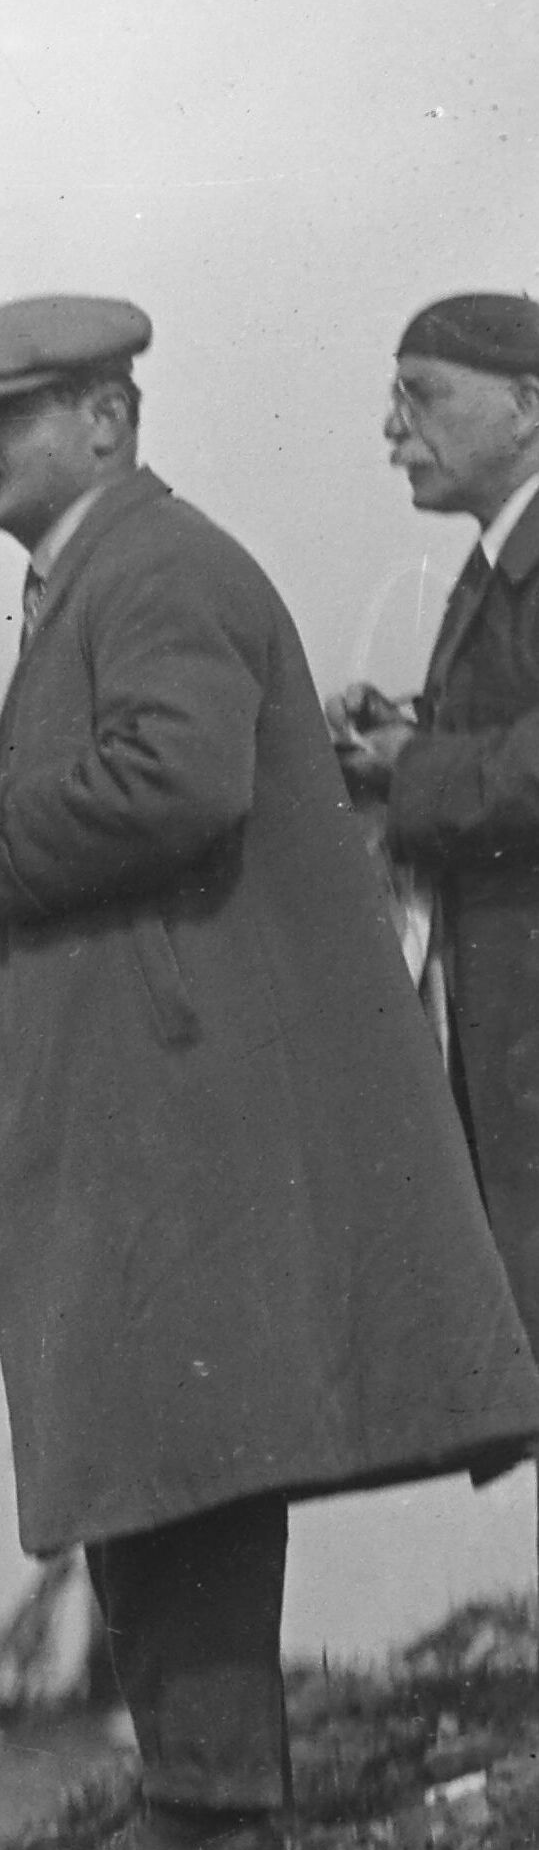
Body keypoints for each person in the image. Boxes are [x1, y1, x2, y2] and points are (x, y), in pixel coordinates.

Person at [0, 290, 539, 1850]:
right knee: (160, 1430)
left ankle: (206, 1805)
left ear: (106, 420)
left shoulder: (153, 567)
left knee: (168, 1429)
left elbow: (177, 778)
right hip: (146, 1079)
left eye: (3, 417)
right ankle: (200, 1789)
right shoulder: (106, 569)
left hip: (165, 1090)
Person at [335, 286, 539, 1410]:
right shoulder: (501, 554)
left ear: (526, 406)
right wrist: (404, 728)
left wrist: (407, 768)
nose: (392, 427)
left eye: (421, 395)